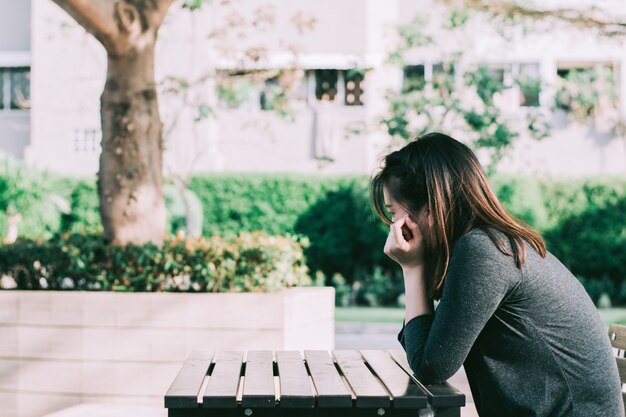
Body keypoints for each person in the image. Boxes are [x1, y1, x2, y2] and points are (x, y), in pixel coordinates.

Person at [369, 132, 624, 417]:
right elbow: (427, 351)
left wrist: (412, 268)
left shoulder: (483, 251)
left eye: (393, 212)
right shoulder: (489, 244)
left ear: (429, 206)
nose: (392, 224)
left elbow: (431, 366)